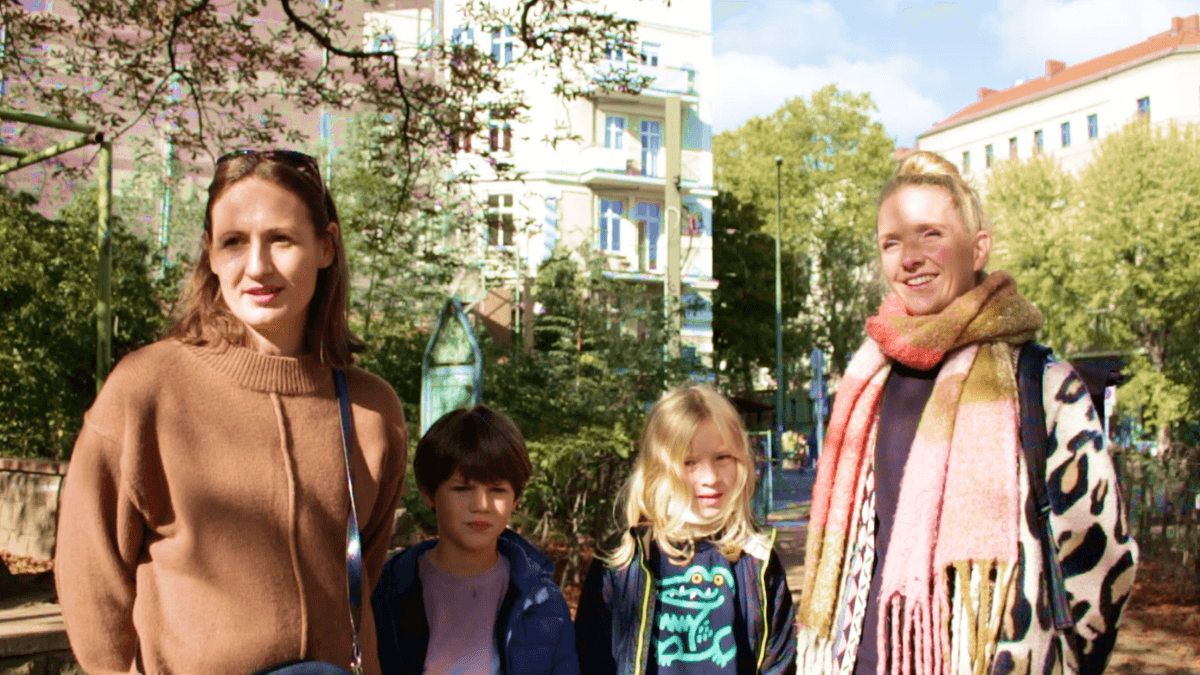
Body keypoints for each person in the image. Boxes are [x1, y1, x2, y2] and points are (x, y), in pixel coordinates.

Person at [54, 149, 408, 675]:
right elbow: (91, 573)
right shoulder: (147, 389)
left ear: (326, 246)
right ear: (211, 256)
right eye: (234, 242)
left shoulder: (372, 410)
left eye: (281, 239)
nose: (258, 266)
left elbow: (361, 578)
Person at [795, 151, 1138, 675]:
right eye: (892, 242)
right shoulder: (866, 378)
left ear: (979, 248)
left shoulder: (1041, 384)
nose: (909, 257)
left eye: (929, 234)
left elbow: (1102, 558)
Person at [576, 384, 796, 675]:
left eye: (722, 458)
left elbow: (779, 662)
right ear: (657, 471)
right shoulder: (620, 560)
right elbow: (589, 659)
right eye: (689, 462)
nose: (710, 478)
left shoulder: (757, 558)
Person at [371, 405, 579, 675]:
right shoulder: (388, 589)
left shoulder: (542, 600)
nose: (481, 505)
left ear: (515, 499)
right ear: (428, 493)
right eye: (462, 488)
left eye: (497, 490)